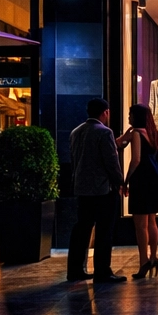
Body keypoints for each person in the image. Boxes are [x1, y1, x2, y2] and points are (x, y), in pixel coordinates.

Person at [67, 98, 126, 283]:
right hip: (102, 190)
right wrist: (121, 183)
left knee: (81, 230)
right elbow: (111, 162)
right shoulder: (105, 132)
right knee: (104, 231)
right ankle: (102, 270)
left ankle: (75, 269)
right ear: (105, 112)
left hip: (82, 189)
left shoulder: (76, 132)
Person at [120, 103, 158, 278]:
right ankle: (153, 257)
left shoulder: (137, 134)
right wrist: (126, 136)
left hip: (142, 179)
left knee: (140, 225)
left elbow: (135, 159)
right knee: (152, 220)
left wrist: (126, 180)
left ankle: (143, 262)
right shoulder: (155, 135)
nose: (129, 118)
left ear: (136, 117)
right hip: (156, 178)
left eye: (130, 115)